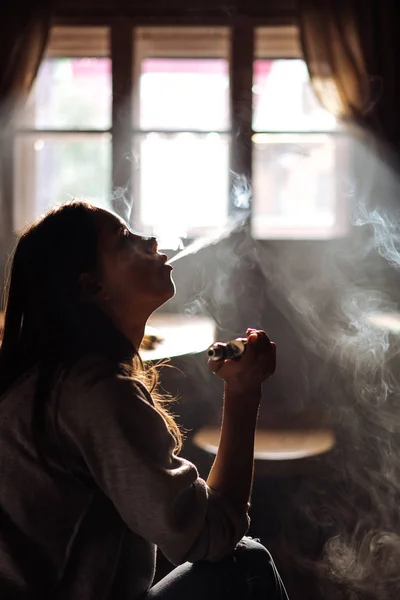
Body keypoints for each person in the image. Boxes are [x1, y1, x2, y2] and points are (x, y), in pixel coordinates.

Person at [0, 201, 288, 600]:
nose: (149, 239)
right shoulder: (95, 391)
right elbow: (212, 536)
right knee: (247, 564)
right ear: (92, 286)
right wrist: (244, 392)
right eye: (123, 239)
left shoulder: (55, 377)